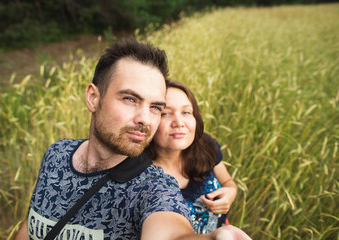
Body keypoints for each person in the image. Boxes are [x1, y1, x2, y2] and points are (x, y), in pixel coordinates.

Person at [14, 38, 249, 240]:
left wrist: (215, 237)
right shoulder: (57, 154)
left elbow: (172, 234)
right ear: (93, 97)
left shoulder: (154, 187)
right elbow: (34, 224)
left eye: (156, 107)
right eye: (130, 99)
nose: (145, 119)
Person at [146, 80, 238, 234]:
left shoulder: (205, 146)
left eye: (186, 112)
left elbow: (228, 182)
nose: (179, 123)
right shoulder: (140, 176)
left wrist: (230, 194)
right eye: (166, 113)